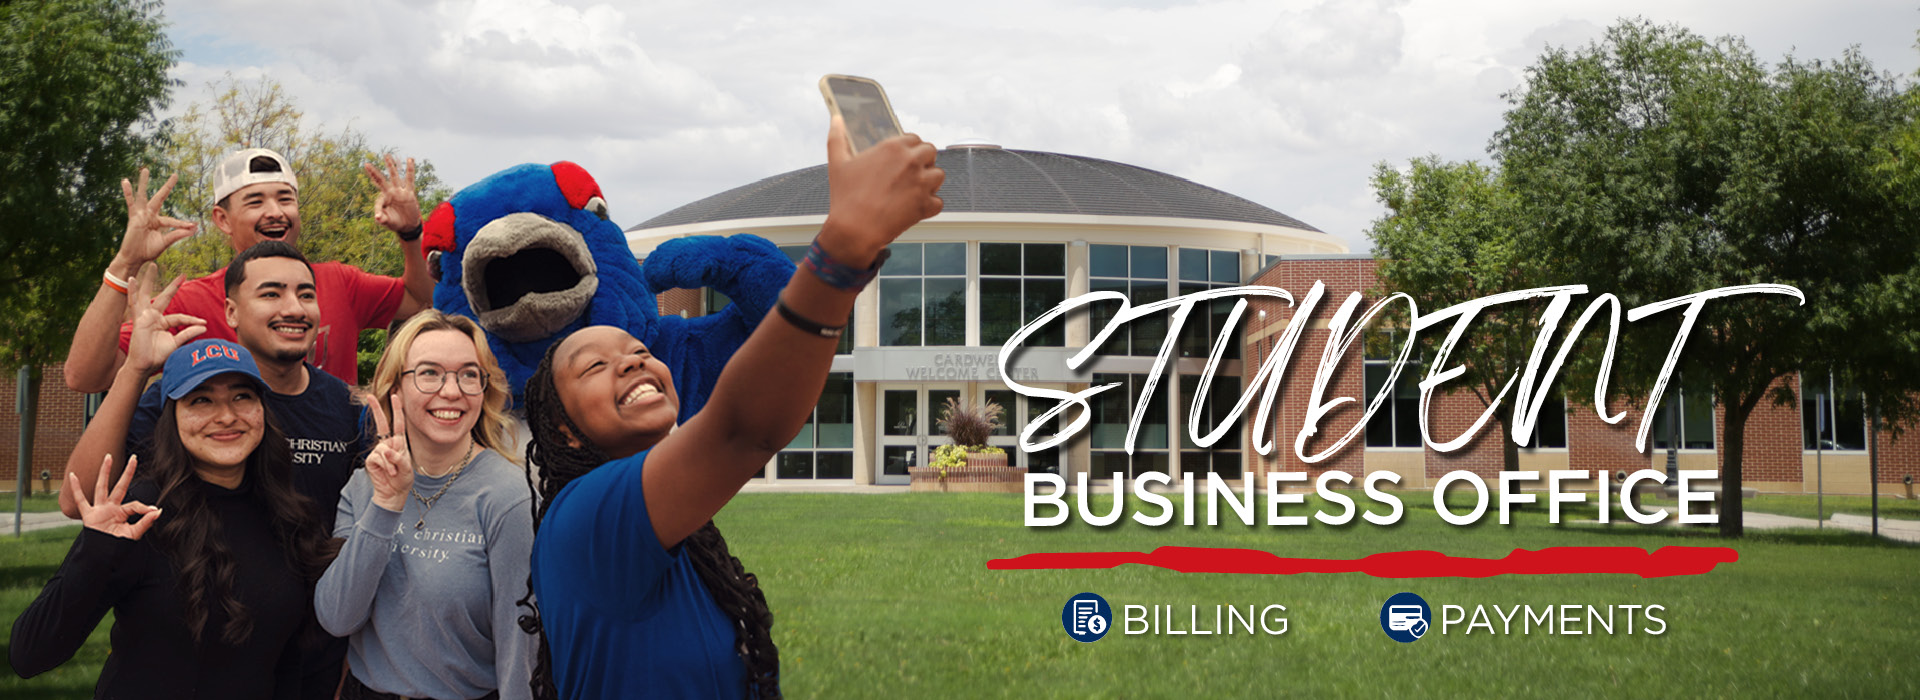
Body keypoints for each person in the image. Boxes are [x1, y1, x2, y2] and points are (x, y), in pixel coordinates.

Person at [520, 116, 943, 699]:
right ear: (563, 432)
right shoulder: (589, 517)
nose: (632, 361)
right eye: (594, 366)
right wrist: (843, 247)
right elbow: (741, 429)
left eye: (640, 350)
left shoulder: (673, 528)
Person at [59, 243, 371, 697]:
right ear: (231, 310)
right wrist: (135, 369)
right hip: (208, 662)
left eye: (306, 294)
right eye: (271, 293)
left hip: (319, 664)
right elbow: (77, 498)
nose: (294, 308)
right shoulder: (188, 401)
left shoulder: (349, 409)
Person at [63, 147, 434, 392]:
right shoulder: (190, 302)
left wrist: (411, 233)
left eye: (285, 198)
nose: (275, 211)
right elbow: (85, 376)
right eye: (255, 201)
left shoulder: (340, 281)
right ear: (222, 220)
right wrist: (125, 263)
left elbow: (420, 300)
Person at [315, 310, 534, 700]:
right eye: (429, 373)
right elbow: (337, 617)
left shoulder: (508, 494)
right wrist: (386, 504)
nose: (452, 391)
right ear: (395, 387)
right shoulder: (365, 485)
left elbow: (519, 640)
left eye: (469, 374)